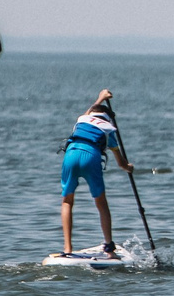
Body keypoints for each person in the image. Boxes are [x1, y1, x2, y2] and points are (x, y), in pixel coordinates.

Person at [58, 90, 137, 258]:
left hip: (71, 154)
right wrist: (128, 168)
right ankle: (109, 249)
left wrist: (100, 98)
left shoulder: (81, 120)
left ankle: (67, 249)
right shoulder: (109, 131)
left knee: (67, 202)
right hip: (91, 157)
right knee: (101, 203)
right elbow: (121, 163)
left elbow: (90, 111)